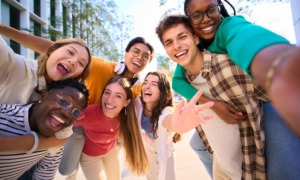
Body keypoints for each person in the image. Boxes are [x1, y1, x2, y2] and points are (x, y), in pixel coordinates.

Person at [174, 0, 300, 179]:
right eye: (196, 15)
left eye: (211, 10)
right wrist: (213, 104)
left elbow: (247, 37)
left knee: (282, 172)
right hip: (233, 105)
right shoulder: (195, 45)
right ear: (189, 20)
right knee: (198, 144)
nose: (206, 19)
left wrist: (280, 66)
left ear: (219, 8)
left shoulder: (229, 27)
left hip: (265, 100)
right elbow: (177, 81)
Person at [156, 14, 270, 179]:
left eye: (182, 37)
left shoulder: (228, 65)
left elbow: (274, 91)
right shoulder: (187, 83)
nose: (177, 46)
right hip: (222, 171)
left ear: (196, 38)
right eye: (169, 43)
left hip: (252, 170)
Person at [0, 33, 92, 151]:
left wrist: (14, 143)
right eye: (70, 52)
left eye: (81, 63)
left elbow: (64, 135)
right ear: (52, 50)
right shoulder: (16, 66)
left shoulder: (64, 102)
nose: (73, 61)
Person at [59, 76, 148, 180]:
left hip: (111, 151)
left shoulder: (126, 118)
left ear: (126, 102)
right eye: (107, 92)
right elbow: (63, 123)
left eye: (118, 96)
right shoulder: (88, 114)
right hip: (90, 156)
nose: (109, 100)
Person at [0, 79, 89, 179]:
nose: (67, 113)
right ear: (44, 95)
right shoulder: (4, 116)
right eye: (63, 102)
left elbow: (44, 176)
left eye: (76, 112)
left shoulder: (56, 140)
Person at [133, 71, 214, 180]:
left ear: (162, 92)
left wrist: (177, 125)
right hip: (147, 152)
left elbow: (170, 121)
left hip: (165, 153)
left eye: (153, 84)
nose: (147, 86)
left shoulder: (166, 111)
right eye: (145, 82)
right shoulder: (137, 104)